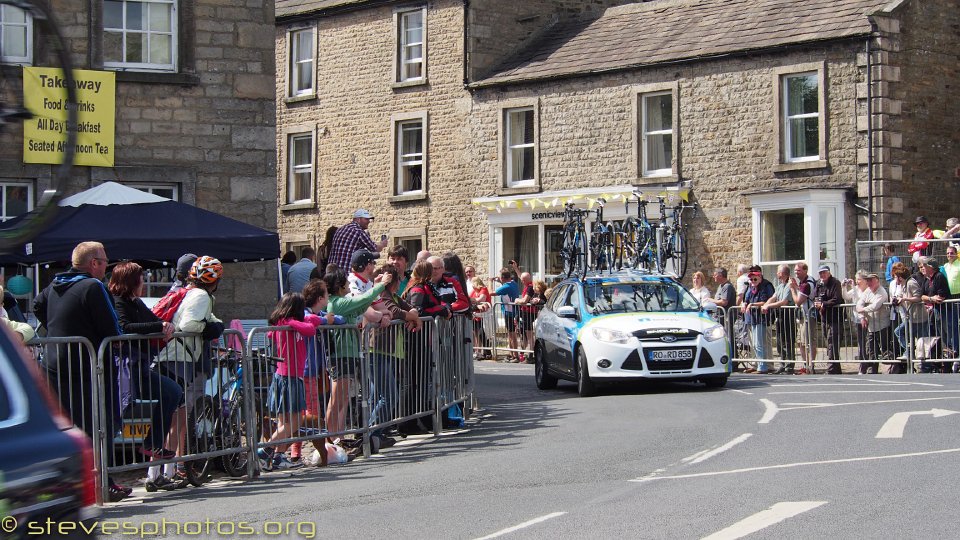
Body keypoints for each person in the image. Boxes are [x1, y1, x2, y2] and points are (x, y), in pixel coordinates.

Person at [33, 241, 130, 501]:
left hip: (55, 365)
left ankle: (72, 483)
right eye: (105, 262)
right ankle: (103, 482)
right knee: (100, 426)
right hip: (88, 367)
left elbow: (36, 306)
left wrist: (59, 330)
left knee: (68, 427)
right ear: (94, 263)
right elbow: (112, 329)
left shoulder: (55, 284)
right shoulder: (93, 286)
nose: (107, 266)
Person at [109, 262, 187, 491]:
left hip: (139, 367)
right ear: (132, 281)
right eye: (141, 278)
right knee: (117, 417)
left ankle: (152, 443)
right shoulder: (118, 301)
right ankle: (104, 476)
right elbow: (124, 326)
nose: (144, 282)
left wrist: (163, 325)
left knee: (173, 391)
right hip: (123, 368)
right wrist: (159, 326)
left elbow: (151, 318)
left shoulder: (134, 301)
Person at [155, 255, 225, 486]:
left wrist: (216, 323)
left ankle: (158, 473)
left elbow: (205, 318)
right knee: (177, 416)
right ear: (214, 280)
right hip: (179, 358)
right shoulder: (202, 296)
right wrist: (211, 328)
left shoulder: (191, 292)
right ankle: (165, 472)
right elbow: (189, 325)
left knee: (172, 416)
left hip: (173, 357)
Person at [323, 268, 391, 449]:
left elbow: (363, 303)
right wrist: (381, 285)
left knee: (342, 398)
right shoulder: (337, 303)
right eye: (345, 281)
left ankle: (337, 439)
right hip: (341, 354)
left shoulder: (342, 301)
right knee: (336, 400)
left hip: (348, 354)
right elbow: (362, 299)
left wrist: (372, 286)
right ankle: (329, 441)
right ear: (339, 285)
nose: (348, 283)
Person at [258, 292, 324, 471]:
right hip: (289, 377)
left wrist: (309, 318)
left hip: (286, 376)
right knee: (294, 421)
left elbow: (315, 321)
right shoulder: (288, 323)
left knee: (284, 421)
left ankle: (278, 456)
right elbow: (311, 329)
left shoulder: (289, 323)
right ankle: (265, 450)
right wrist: (307, 320)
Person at [289, 279, 343, 467]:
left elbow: (340, 319)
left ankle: (299, 451)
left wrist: (329, 319)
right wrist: (324, 320)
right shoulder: (304, 314)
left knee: (307, 414)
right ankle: (298, 452)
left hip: (317, 370)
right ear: (320, 298)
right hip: (305, 370)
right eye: (326, 295)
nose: (328, 298)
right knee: (309, 415)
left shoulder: (318, 313)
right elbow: (306, 320)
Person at [368, 264, 420, 449]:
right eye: (398, 280)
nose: (400, 283)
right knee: (388, 396)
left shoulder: (394, 296)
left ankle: (376, 434)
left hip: (389, 351)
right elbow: (397, 312)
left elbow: (411, 308)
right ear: (392, 281)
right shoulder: (383, 294)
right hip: (379, 350)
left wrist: (415, 316)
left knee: (379, 396)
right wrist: (412, 316)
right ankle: (369, 432)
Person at [402, 260, 449, 434]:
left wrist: (442, 308)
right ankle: (409, 422)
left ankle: (420, 419)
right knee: (413, 382)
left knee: (421, 382)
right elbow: (418, 311)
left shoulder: (423, 287)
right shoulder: (417, 289)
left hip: (422, 339)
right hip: (414, 340)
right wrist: (440, 310)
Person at [892, 262, 928, 369]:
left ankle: (926, 366)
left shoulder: (911, 283)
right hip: (911, 318)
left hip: (919, 318)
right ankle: (909, 350)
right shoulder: (904, 285)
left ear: (900, 277)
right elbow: (903, 296)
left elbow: (918, 297)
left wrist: (905, 299)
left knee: (923, 342)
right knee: (899, 331)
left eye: (895, 277)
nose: (895, 280)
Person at [919, 256, 951, 372]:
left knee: (944, 337)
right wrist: (930, 298)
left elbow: (940, 297)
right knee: (933, 337)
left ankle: (947, 364)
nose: (922, 268)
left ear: (931, 267)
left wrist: (930, 299)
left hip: (942, 312)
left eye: (924, 266)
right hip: (932, 313)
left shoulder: (939, 277)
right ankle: (935, 363)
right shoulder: (927, 279)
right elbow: (922, 296)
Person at [762, 264, 795, 374]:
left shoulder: (790, 286)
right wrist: (766, 304)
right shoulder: (780, 285)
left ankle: (789, 366)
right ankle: (782, 364)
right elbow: (774, 297)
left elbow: (784, 302)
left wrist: (768, 306)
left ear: (783, 273)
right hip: (780, 315)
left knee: (788, 341)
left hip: (788, 316)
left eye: (778, 272)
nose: (777, 274)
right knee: (780, 342)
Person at [856, 272, 891, 374]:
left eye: (871, 280)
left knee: (885, 349)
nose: (869, 282)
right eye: (867, 280)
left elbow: (875, 306)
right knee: (871, 349)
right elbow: (859, 304)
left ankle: (890, 370)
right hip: (871, 326)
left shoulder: (882, 292)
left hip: (882, 325)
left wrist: (862, 310)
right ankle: (872, 370)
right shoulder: (867, 291)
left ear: (877, 281)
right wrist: (862, 317)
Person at [741, 270, 774, 373]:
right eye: (751, 279)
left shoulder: (763, 288)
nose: (753, 281)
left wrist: (752, 305)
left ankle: (763, 366)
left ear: (760, 278)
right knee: (754, 344)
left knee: (760, 343)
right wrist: (745, 304)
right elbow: (747, 299)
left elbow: (764, 301)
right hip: (753, 318)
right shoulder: (751, 289)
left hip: (761, 318)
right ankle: (759, 364)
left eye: (755, 279)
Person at [813, 265, 844, 374]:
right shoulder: (819, 284)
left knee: (832, 342)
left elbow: (837, 299)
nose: (822, 275)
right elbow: (816, 297)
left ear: (829, 272)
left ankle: (831, 368)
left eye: (824, 272)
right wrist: (817, 303)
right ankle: (836, 368)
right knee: (829, 342)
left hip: (835, 318)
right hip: (824, 317)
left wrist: (824, 304)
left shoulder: (835, 283)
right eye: (820, 273)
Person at [789, 262, 819, 373]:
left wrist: (792, 289)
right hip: (802, 316)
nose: (796, 272)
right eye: (795, 270)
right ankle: (806, 365)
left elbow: (798, 301)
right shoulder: (804, 282)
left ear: (805, 270)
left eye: (799, 270)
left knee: (808, 341)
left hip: (808, 315)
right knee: (801, 342)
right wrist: (796, 286)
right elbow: (801, 291)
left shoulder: (807, 284)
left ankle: (811, 365)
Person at [492, 268, 521, 362]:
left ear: (503, 278)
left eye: (501, 278)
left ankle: (515, 355)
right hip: (511, 311)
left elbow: (491, 293)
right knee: (510, 334)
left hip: (509, 312)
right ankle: (512, 354)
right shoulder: (513, 283)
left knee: (512, 335)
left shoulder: (506, 286)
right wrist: (500, 281)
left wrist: (489, 282)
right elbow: (505, 288)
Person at [843, 271, 870, 369]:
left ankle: (869, 364)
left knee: (868, 343)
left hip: (868, 319)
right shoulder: (856, 289)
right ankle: (862, 365)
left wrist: (853, 287)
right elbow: (846, 296)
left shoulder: (867, 289)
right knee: (861, 343)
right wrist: (844, 287)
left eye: (859, 279)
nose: (857, 281)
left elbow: (860, 300)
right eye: (856, 279)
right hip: (858, 319)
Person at [514, 272, 541, 363]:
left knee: (529, 335)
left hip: (528, 313)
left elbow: (525, 301)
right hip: (526, 313)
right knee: (525, 335)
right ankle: (523, 354)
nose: (521, 281)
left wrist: (517, 300)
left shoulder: (530, 287)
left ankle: (531, 356)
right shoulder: (529, 286)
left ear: (524, 280)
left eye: (522, 279)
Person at [939, 244, 960, 358]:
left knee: (956, 324)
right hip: (948, 297)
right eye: (947, 253)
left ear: (956, 254)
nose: (949, 255)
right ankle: (953, 348)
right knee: (951, 325)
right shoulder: (945, 266)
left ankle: (956, 347)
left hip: (958, 295)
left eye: (951, 253)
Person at [470, 276, 492, 360]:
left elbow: (481, 299)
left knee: (482, 334)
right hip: (476, 316)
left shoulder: (483, 289)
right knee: (476, 334)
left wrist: (472, 300)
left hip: (484, 316)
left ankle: (487, 352)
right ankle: (478, 352)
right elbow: (470, 298)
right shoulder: (474, 291)